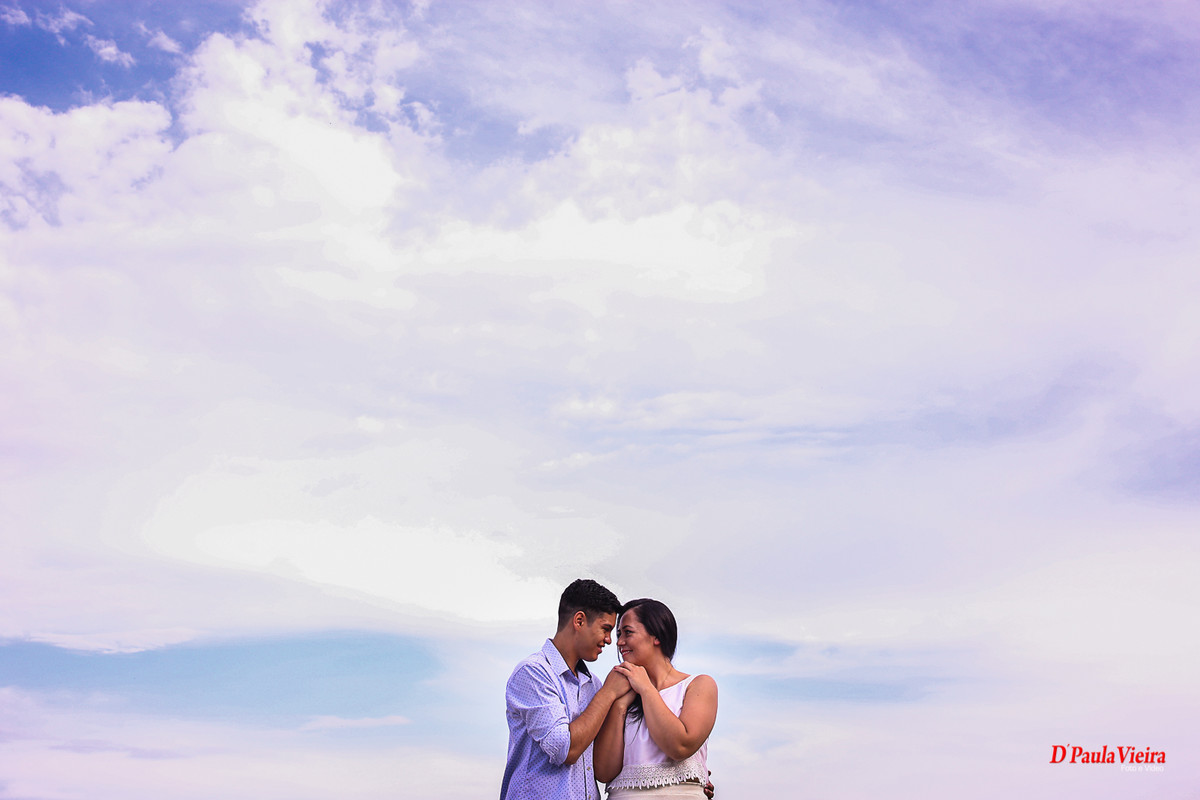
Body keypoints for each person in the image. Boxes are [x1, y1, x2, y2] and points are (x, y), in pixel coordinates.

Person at [500, 578, 628, 800]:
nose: (609, 640)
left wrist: (690, 779)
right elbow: (564, 749)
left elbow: (608, 755)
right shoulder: (533, 673)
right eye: (605, 629)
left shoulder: (594, 685)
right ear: (579, 620)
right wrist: (609, 693)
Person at [594, 599, 718, 799]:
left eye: (628, 632)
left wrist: (645, 688)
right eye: (618, 634)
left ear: (656, 635)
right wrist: (620, 705)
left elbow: (680, 746)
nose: (619, 642)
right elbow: (604, 771)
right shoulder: (619, 695)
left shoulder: (699, 686)